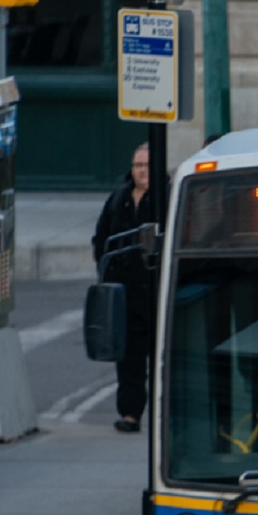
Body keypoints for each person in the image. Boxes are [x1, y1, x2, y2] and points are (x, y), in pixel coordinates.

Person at [94, 143, 167, 433]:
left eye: (148, 166)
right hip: (125, 293)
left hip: (155, 290)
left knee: (162, 357)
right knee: (129, 359)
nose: (142, 172)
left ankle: (165, 416)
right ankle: (130, 414)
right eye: (138, 166)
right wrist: (106, 269)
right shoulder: (118, 199)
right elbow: (101, 239)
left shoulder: (165, 197)